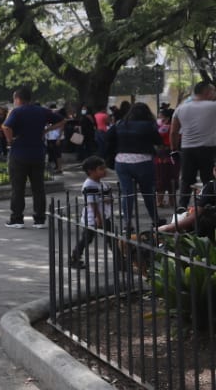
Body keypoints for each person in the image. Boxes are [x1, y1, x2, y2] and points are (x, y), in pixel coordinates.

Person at [3, 85, 64, 228]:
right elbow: (62, 120)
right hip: (38, 153)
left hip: (19, 153)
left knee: (18, 188)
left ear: (17, 99)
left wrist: (10, 140)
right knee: (38, 188)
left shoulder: (16, 112)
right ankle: (39, 219)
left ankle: (17, 219)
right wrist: (46, 130)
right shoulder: (41, 111)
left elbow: (5, 127)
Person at [106, 102, 163, 231]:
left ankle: (127, 223)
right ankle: (155, 219)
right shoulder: (148, 125)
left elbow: (108, 137)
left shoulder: (120, 124)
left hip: (122, 161)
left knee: (127, 193)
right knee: (148, 192)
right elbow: (158, 141)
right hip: (143, 161)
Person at [170, 82, 216, 210]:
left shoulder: (181, 108)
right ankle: (208, 204)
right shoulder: (213, 107)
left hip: (187, 149)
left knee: (186, 179)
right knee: (209, 179)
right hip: (209, 149)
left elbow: (173, 132)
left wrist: (174, 149)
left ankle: (182, 206)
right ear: (208, 92)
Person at [69, 156, 112, 269]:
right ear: (91, 171)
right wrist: (98, 218)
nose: (105, 171)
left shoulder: (103, 184)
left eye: (104, 168)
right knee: (86, 239)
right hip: (93, 218)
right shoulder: (89, 185)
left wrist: (108, 200)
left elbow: (107, 198)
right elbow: (92, 203)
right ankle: (75, 258)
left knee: (111, 239)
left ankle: (120, 260)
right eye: (101, 169)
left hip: (104, 216)